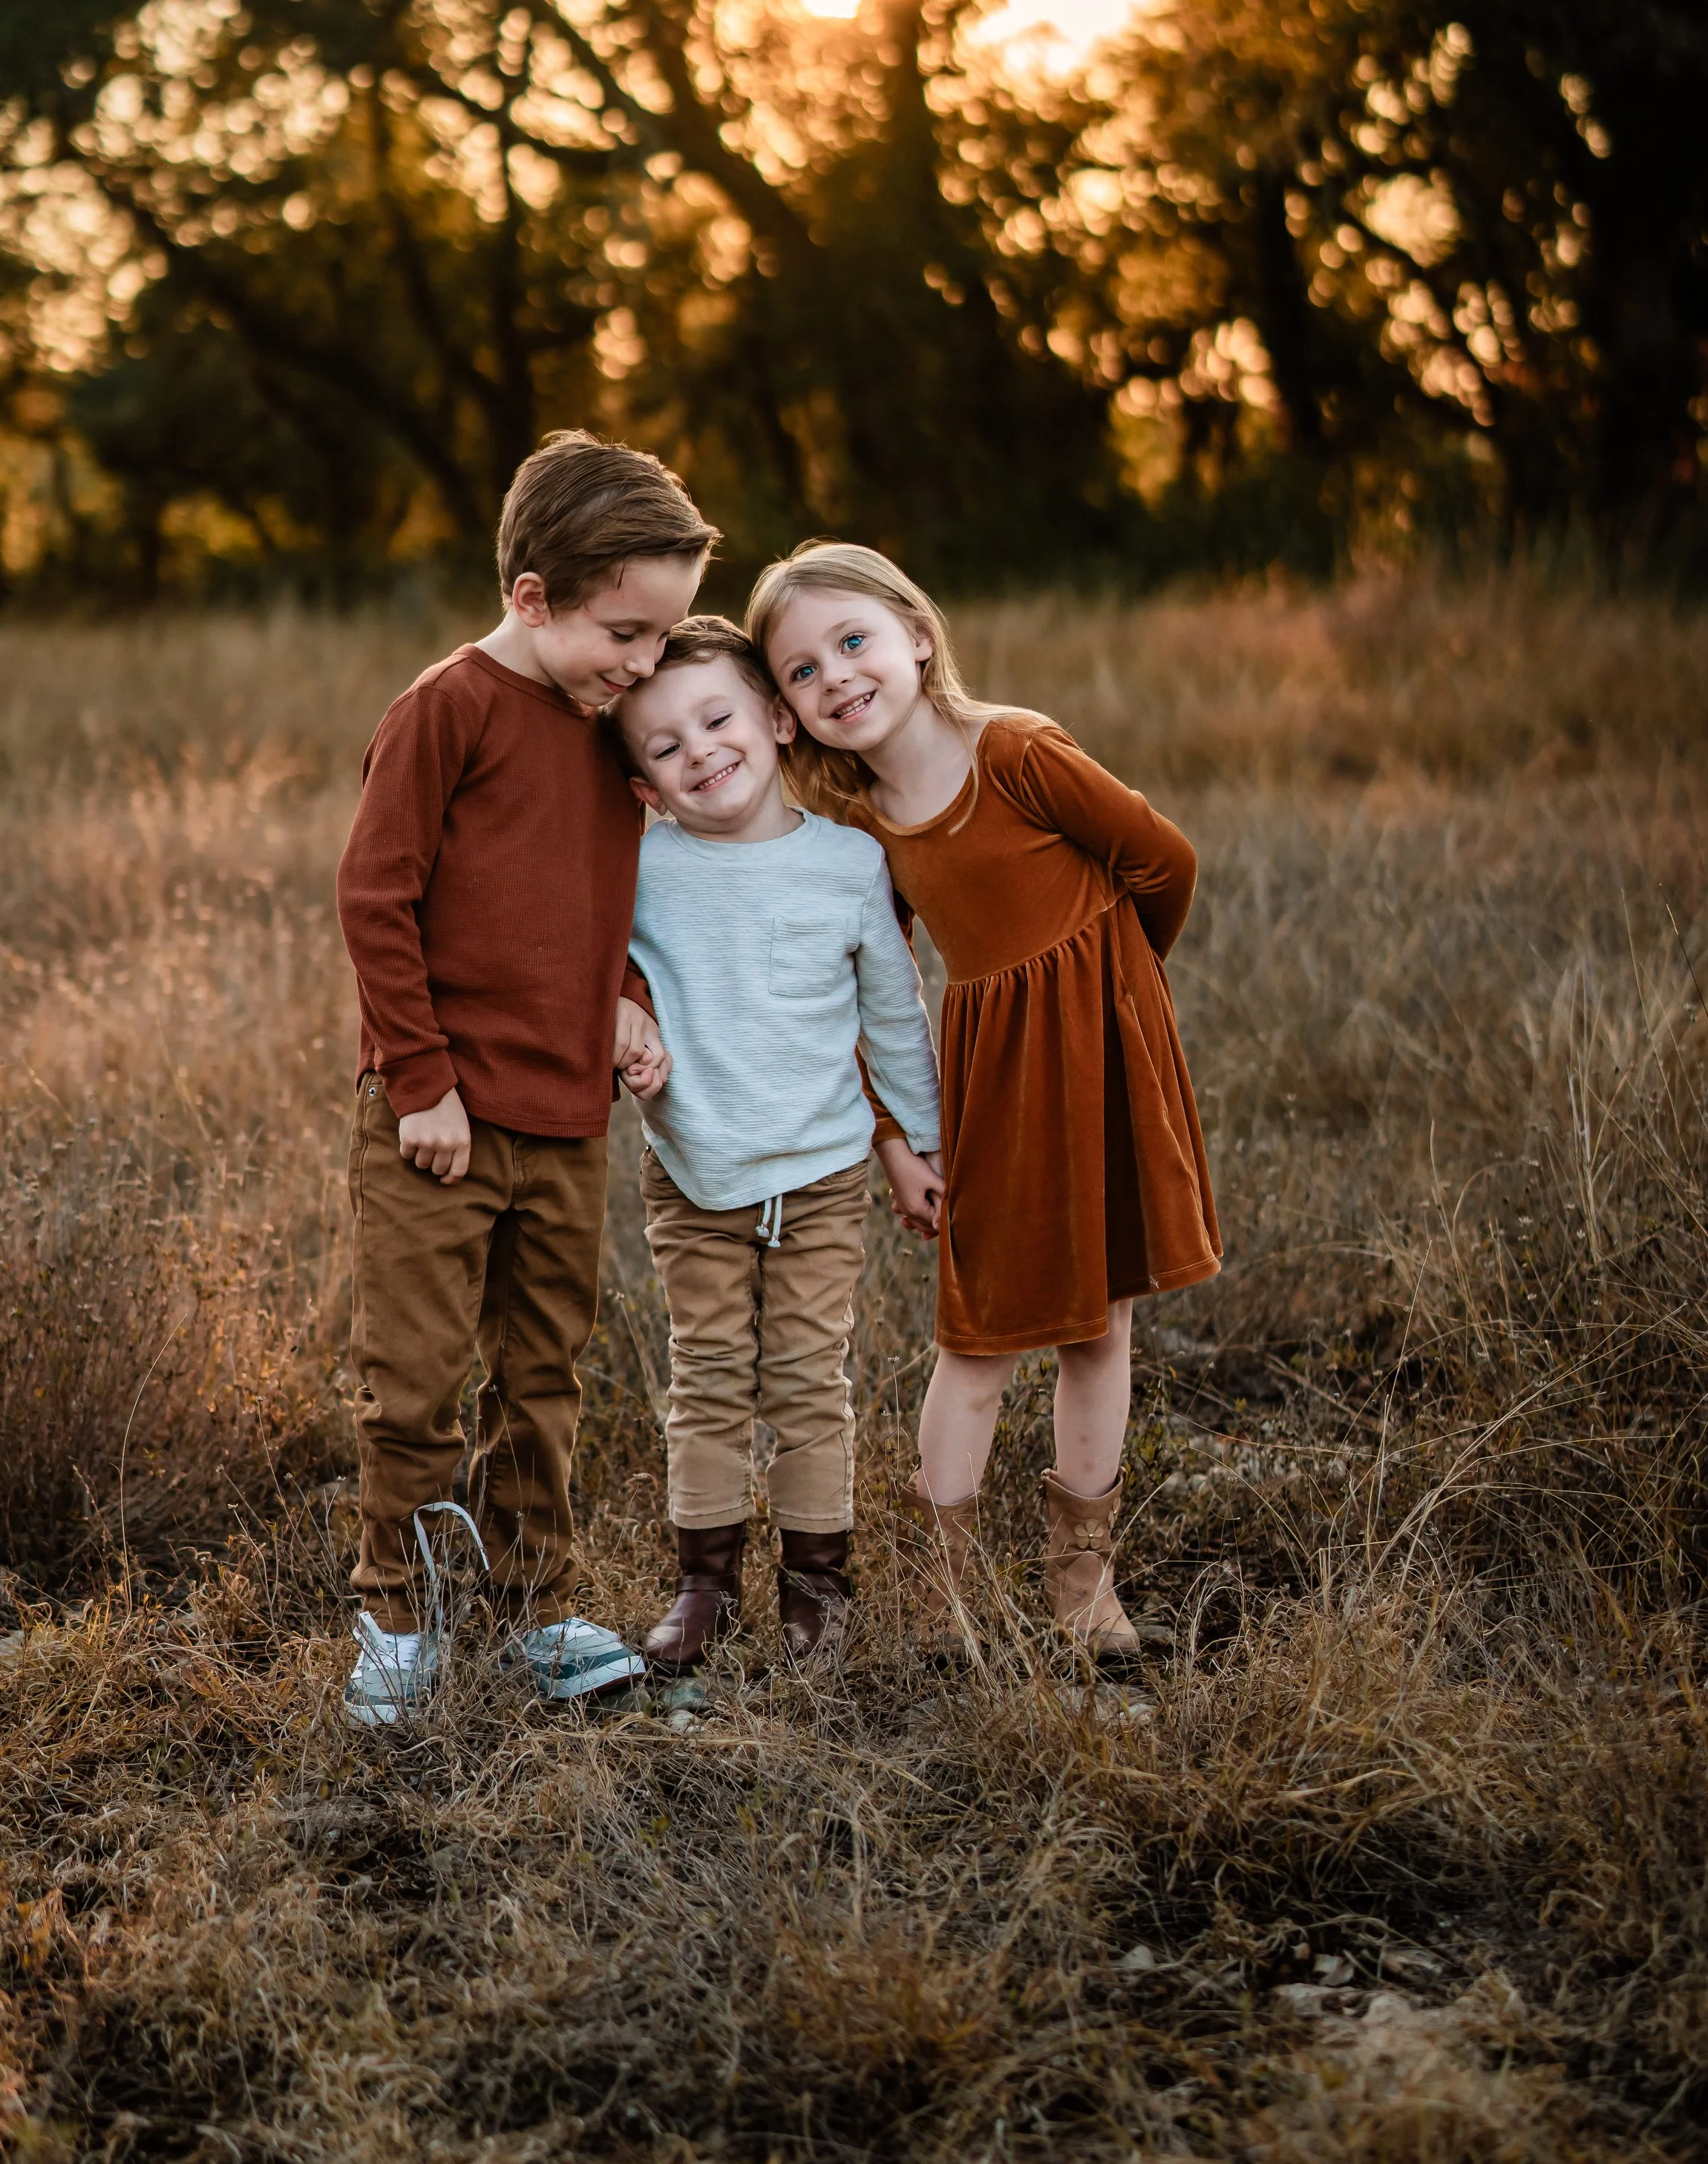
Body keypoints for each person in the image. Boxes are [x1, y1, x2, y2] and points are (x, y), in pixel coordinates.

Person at [747, 543, 1220, 1663]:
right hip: (993, 1086)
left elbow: (1164, 860)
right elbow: (865, 989)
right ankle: (944, 1598)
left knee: (1103, 1322)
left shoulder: (1015, 750)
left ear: (917, 632)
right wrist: (899, 1137)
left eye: (852, 641)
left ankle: (1082, 1585)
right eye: (804, 672)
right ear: (790, 711)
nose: (838, 678)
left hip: (1101, 1058)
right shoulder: (861, 826)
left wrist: (1114, 995)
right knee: (980, 1336)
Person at [335, 431, 718, 1726]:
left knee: (544, 1369)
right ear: (531, 595)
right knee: (419, 1381)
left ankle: (531, 1600)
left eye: (663, 637)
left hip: (566, 1121)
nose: (646, 665)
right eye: (627, 630)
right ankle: (397, 1615)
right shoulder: (448, 708)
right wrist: (419, 1081)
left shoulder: (608, 727)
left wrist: (628, 999)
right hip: (437, 1122)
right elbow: (375, 895)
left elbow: (599, 903)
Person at [609, 616, 943, 1675]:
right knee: (706, 1376)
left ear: (776, 717)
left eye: (717, 718)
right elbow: (589, 969)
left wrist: (924, 1141)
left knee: (807, 1377)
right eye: (664, 747)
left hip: (824, 1173)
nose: (700, 750)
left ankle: (817, 1585)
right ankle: (703, 1583)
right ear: (642, 782)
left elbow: (894, 1015)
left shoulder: (848, 864)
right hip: (695, 1170)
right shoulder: (642, 870)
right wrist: (624, 1011)